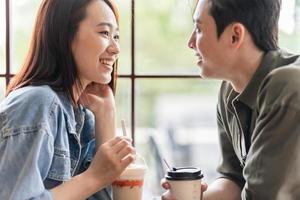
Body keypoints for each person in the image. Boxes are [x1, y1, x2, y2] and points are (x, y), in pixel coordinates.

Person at [162, 0, 300, 199]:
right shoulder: (230, 90)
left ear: (235, 36)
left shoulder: (289, 87)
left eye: (199, 29)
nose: (191, 42)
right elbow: (233, 179)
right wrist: (190, 197)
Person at [0, 0, 135, 199]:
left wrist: (107, 114)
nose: (116, 48)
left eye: (116, 36)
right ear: (65, 35)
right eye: (105, 33)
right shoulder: (38, 103)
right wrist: (94, 177)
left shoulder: (83, 115)